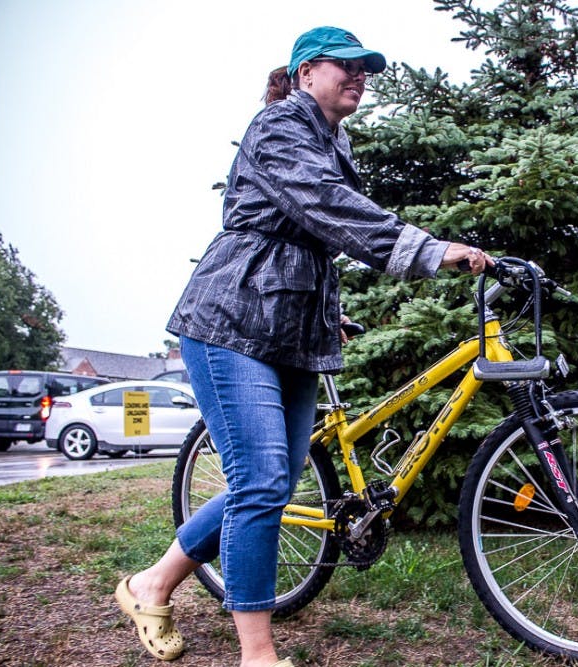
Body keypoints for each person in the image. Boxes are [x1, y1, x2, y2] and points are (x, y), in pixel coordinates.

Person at [114, 26, 491, 667]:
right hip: (229, 324)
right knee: (260, 480)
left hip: (291, 333)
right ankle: (257, 656)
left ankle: (152, 582)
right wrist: (429, 250)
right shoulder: (280, 126)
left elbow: (309, 238)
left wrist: (328, 312)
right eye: (346, 66)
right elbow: (327, 207)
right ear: (306, 72)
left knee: (275, 480)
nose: (360, 77)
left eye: (366, 69)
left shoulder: (332, 139)